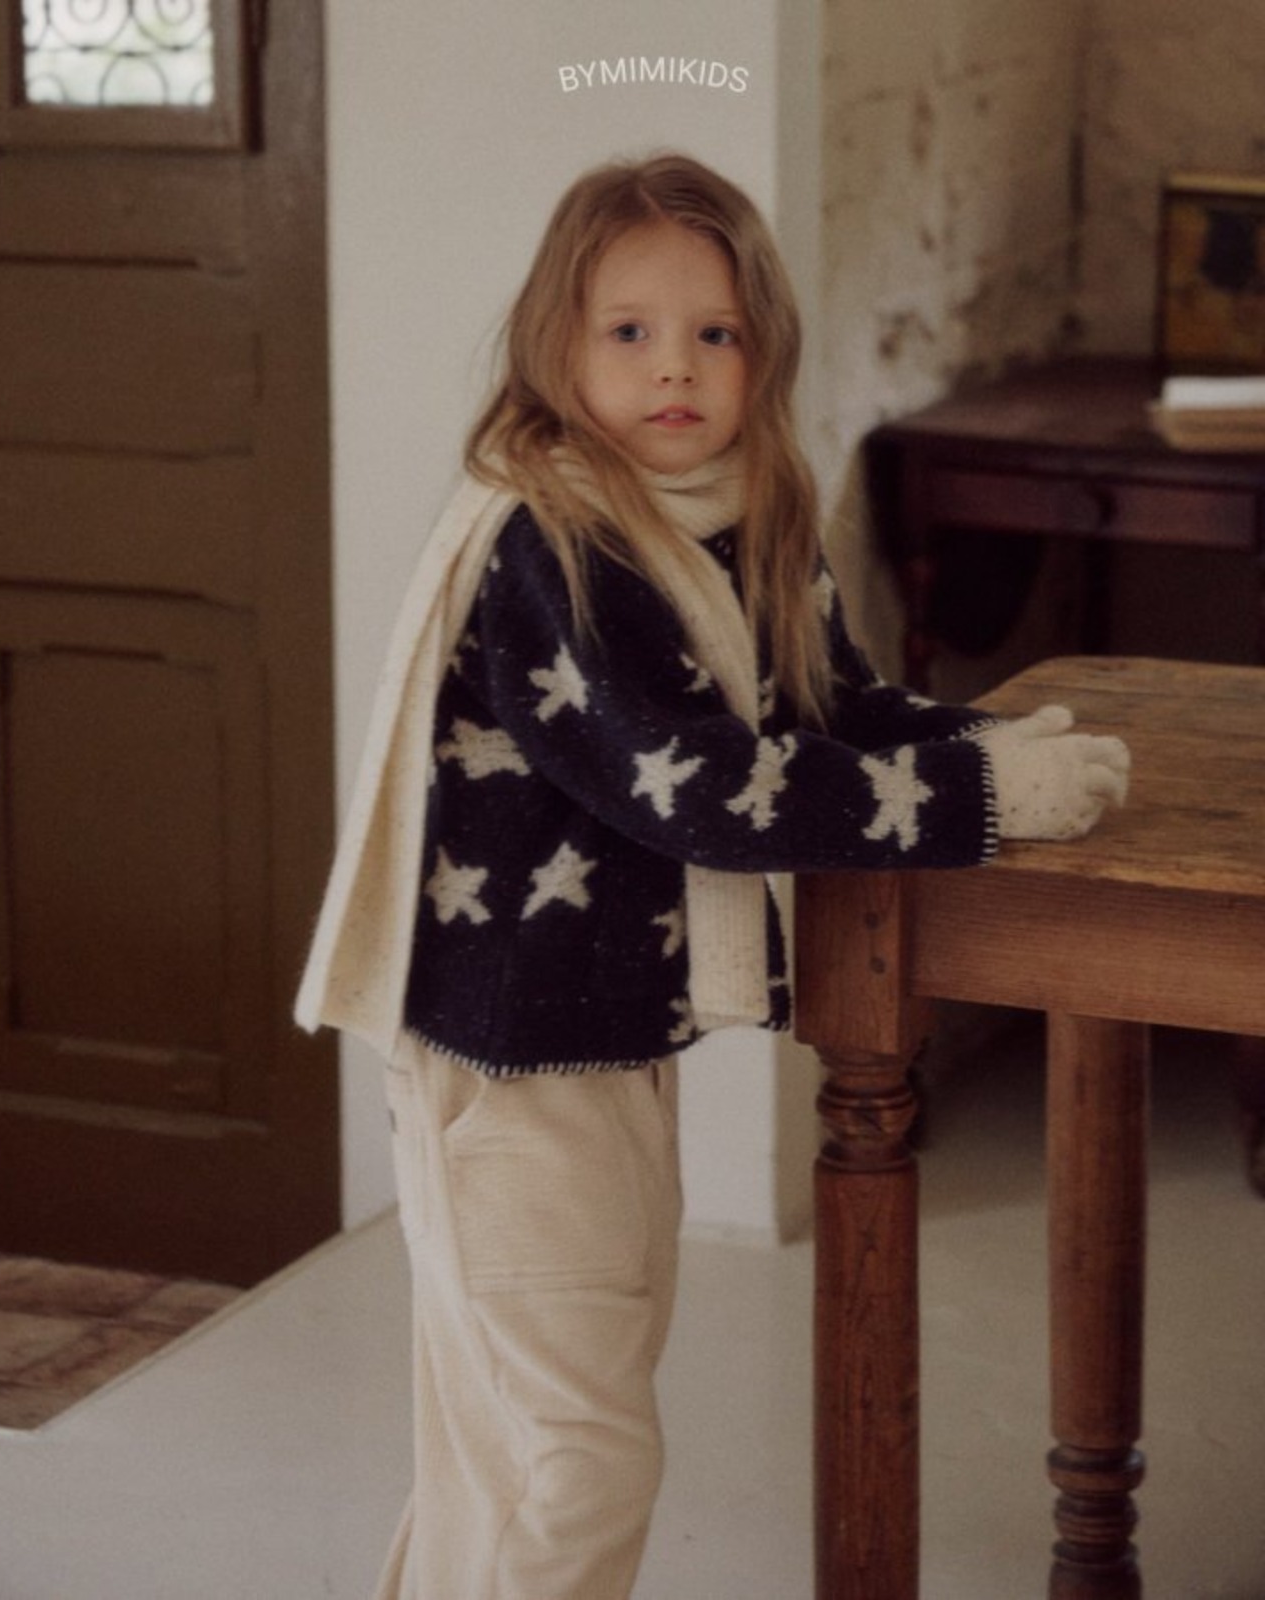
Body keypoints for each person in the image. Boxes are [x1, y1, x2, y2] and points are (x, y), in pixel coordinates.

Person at [295, 153, 1130, 1600]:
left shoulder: (734, 518)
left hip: (605, 1038)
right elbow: (705, 793)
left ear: (765, 354)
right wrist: (984, 802)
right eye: (628, 330)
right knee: (574, 1459)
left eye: (715, 332)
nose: (673, 365)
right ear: (555, 345)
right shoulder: (555, 544)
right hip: (506, 1061)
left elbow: (833, 712)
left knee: (511, 1444)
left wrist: (987, 748)